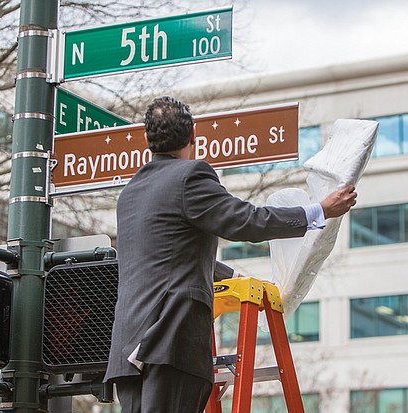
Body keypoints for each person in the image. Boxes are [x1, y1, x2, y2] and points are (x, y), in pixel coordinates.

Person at [104, 96, 357, 413]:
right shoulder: (190, 176)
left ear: (146, 140)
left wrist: (235, 278)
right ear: (194, 135)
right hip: (169, 339)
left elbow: (166, 258)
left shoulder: (130, 193)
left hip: (129, 344)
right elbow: (246, 221)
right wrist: (318, 210)